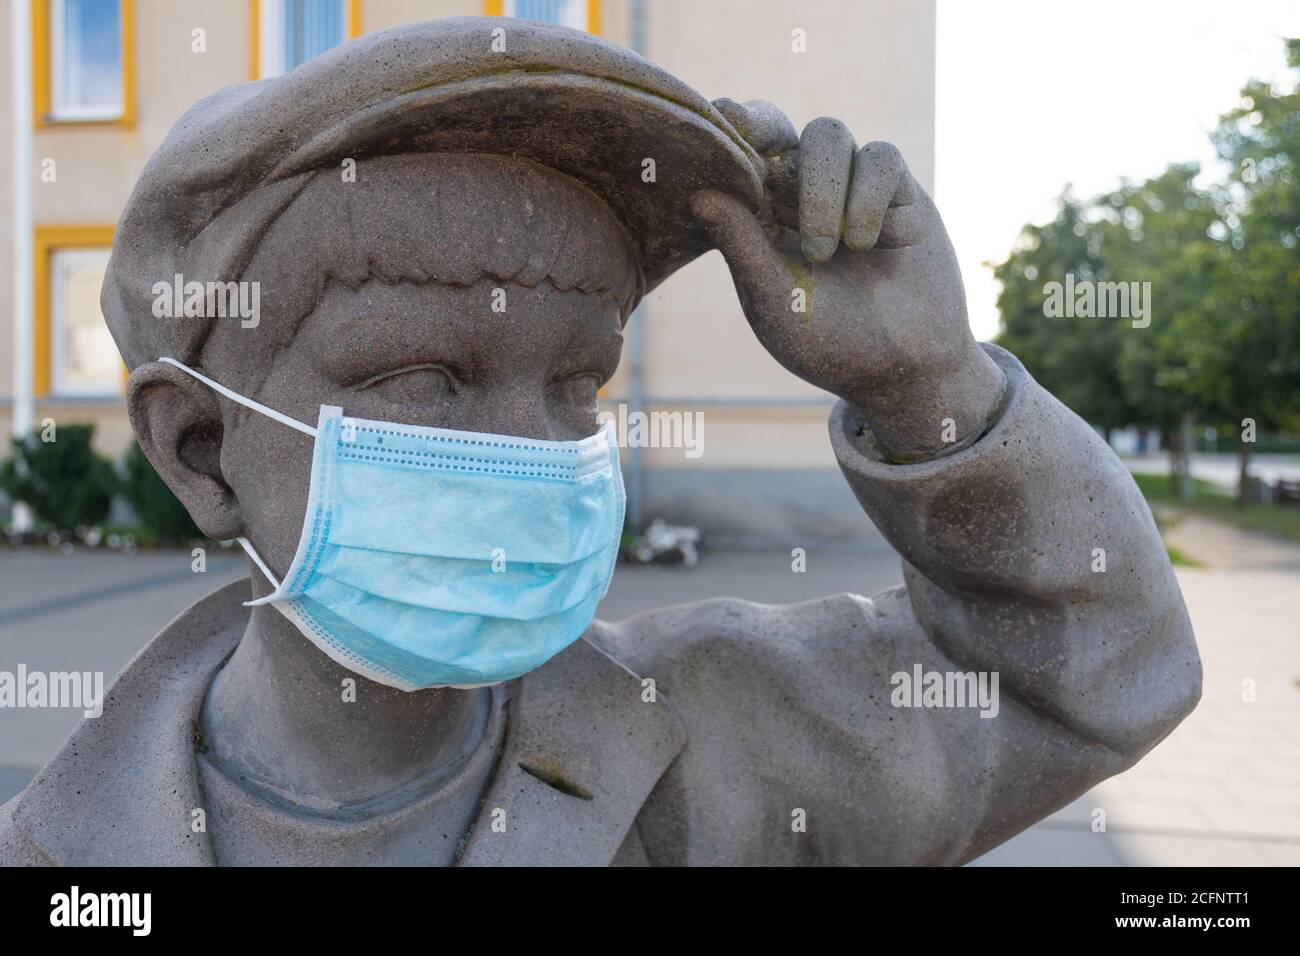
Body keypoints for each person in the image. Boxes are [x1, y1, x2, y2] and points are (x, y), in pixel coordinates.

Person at [0, 17, 1200, 867]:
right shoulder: (67, 853)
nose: (533, 447)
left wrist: (926, 383)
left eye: (579, 382)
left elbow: (1089, 680)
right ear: (200, 449)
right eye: (422, 376)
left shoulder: (732, 740)